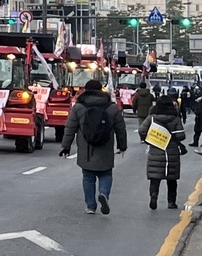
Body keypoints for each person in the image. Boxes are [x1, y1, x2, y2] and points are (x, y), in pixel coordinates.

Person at [61, 78, 128, 215]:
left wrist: (65, 147)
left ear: (85, 90)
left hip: (86, 149)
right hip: (105, 147)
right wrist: (122, 146)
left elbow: (70, 128)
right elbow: (121, 128)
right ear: (101, 90)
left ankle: (91, 206)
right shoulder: (111, 107)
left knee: (88, 176)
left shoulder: (79, 107)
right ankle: (103, 194)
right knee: (106, 173)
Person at [141, 93, 187, 210]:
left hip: (156, 149)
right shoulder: (175, 118)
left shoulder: (151, 118)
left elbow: (142, 130)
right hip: (171, 152)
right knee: (172, 179)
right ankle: (171, 202)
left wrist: (149, 139)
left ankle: (154, 195)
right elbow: (181, 135)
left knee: (155, 178)